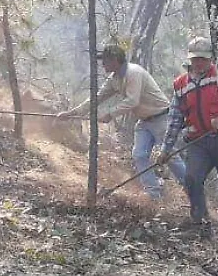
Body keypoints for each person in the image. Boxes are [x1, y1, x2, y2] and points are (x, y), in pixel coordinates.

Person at [60, 43, 187, 200]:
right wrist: (73, 113)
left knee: (170, 156)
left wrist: (110, 114)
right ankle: (154, 194)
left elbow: (132, 100)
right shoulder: (114, 79)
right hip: (144, 122)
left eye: (105, 61)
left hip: (160, 118)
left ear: (115, 60)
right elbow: (97, 98)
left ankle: (192, 188)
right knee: (139, 155)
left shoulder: (134, 72)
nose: (103, 64)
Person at [153, 36, 218, 231]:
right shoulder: (181, 84)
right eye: (195, 59)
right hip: (197, 142)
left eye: (203, 59)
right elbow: (175, 119)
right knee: (192, 179)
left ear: (211, 58)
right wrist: (166, 149)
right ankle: (199, 221)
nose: (199, 63)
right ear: (190, 59)